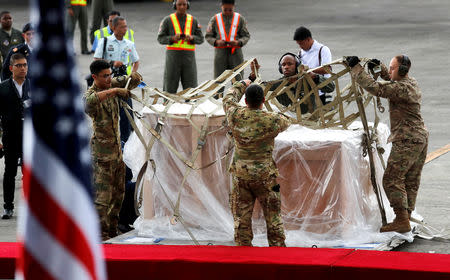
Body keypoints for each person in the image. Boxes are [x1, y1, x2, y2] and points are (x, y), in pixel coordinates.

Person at [346, 55, 428, 233]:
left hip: (408, 139)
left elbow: (376, 88)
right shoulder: (409, 81)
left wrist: (356, 69)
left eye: (392, 68)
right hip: (419, 137)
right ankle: (405, 216)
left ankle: (401, 220)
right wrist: (380, 67)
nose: (390, 71)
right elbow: (390, 78)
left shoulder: (402, 88)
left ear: (402, 70)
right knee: (409, 180)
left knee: (391, 179)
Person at [223, 79, 291, 247]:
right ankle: (278, 255)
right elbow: (286, 121)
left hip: (241, 176)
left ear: (245, 101)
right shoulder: (272, 119)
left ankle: (244, 256)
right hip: (265, 177)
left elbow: (228, 98)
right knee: (273, 217)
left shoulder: (235, 115)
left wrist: (243, 83)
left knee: (242, 220)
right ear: (263, 101)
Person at [83, 59, 142, 240]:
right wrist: (116, 90)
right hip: (101, 155)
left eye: (110, 75)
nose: (109, 79)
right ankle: (99, 234)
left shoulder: (110, 82)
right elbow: (87, 103)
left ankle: (112, 230)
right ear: (95, 77)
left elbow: (131, 81)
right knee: (102, 199)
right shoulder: (91, 95)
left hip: (117, 153)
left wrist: (133, 77)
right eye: (105, 76)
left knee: (118, 195)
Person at [0, 53, 30, 219]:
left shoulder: (33, 87)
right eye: (19, 65)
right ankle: (8, 207)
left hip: (29, 138)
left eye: (25, 65)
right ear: (11, 68)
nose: (23, 68)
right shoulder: (3, 88)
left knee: (29, 174)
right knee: (10, 172)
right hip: (10, 136)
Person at [157, 0, 204, 93]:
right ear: (175, 5)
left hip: (189, 58)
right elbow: (160, 38)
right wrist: (172, 38)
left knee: (191, 85)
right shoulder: (168, 20)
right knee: (169, 84)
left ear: (187, 5)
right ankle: (168, 105)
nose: (182, 7)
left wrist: (191, 38)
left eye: (184, 4)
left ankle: (191, 105)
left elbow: (201, 38)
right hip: (173, 57)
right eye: (179, 4)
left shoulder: (193, 20)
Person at [205, 0, 250, 81]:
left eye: (230, 10)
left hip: (236, 53)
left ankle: (236, 94)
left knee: (238, 80)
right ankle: (218, 94)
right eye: (225, 9)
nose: (228, 12)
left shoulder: (239, 19)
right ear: (221, 6)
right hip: (220, 54)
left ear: (234, 7)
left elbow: (246, 35)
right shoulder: (215, 19)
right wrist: (216, 42)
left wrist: (239, 42)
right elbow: (208, 36)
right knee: (219, 80)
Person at [293, 26, 332, 105]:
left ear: (308, 39)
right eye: (298, 44)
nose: (300, 46)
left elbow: (327, 69)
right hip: (308, 92)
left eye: (301, 43)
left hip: (323, 89)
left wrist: (308, 70)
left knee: (326, 115)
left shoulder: (323, 50)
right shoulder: (300, 53)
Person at [91, 10, 136, 74]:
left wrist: (133, 73)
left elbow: (133, 53)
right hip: (106, 74)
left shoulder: (128, 33)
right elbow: (96, 57)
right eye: (111, 21)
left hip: (125, 73)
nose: (113, 23)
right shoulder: (100, 34)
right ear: (107, 21)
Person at [0, 11, 24, 76]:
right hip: (3, 70)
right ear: (0, 20)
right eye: (5, 19)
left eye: (10, 18)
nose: (8, 20)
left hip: (18, 69)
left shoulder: (19, 34)